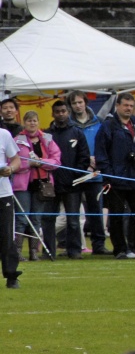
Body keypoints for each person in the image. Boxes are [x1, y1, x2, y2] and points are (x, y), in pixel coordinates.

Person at [94, 93, 135, 260]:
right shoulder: (108, 126)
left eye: (131, 106)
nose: (128, 108)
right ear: (117, 106)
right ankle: (119, 249)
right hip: (116, 179)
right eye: (125, 105)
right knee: (117, 216)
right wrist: (109, 175)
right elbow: (101, 153)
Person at [45, 100, 91, 260]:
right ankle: (48, 251)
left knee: (73, 220)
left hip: (72, 184)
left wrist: (76, 176)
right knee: (49, 219)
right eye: (57, 111)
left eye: (63, 111)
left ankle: (75, 251)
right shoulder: (47, 134)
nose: (60, 114)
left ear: (68, 112)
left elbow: (84, 157)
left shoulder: (77, 132)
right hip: (51, 183)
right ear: (53, 113)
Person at [16, 111, 62, 261]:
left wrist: (42, 162)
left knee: (36, 219)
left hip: (42, 184)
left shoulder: (48, 139)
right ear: (24, 122)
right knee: (22, 219)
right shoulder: (17, 140)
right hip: (23, 185)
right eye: (29, 121)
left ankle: (34, 252)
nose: (32, 123)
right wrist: (28, 163)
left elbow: (56, 160)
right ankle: (17, 251)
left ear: (38, 122)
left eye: (34, 120)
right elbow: (13, 161)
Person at [67, 90, 109, 255]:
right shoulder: (68, 125)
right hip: (76, 174)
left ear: (85, 102)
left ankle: (99, 245)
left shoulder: (98, 122)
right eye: (74, 103)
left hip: (95, 174)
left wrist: (97, 159)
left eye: (80, 102)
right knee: (74, 214)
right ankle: (74, 247)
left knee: (96, 212)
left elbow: (104, 145)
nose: (77, 106)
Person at [0, 126, 22, 288]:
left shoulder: (4, 134)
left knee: (6, 234)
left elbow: (16, 159)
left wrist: (10, 169)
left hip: (3, 193)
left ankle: (11, 275)